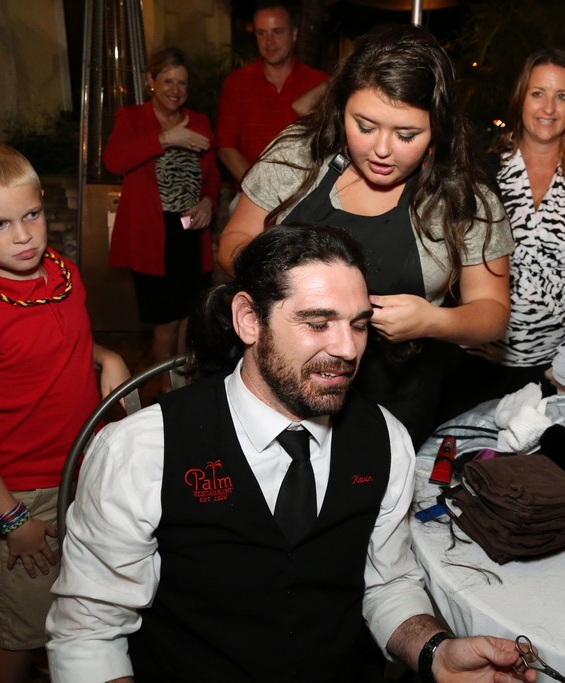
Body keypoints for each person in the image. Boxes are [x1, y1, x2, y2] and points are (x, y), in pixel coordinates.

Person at [46, 225, 535, 683]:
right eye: (318, 323)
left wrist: (435, 652)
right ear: (248, 320)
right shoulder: (142, 449)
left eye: (359, 325)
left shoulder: (386, 439)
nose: (347, 349)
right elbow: (89, 634)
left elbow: (386, 584)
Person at [218, 23, 512, 446]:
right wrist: (281, 285)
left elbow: (493, 313)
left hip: (394, 396)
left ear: (438, 128)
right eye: (365, 126)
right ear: (341, 108)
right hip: (277, 382)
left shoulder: (463, 198)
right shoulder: (298, 155)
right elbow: (234, 241)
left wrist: (432, 320)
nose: (382, 149)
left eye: (407, 135)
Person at [0, 142, 130, 683]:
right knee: (22, 632)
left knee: (85, 605)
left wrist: (106, 356)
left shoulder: (63, 271)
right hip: (24, 494)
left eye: (31, 215)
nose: (22, 236)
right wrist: (11, 519)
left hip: (90, 467)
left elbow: (54, 345)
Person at [443, 48, 565, 415]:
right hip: (474, 363)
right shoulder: (483, 171)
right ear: (520, 99)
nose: (549, 108)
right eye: (538, 93)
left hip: (555, 369)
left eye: (562, 96)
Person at [105, 47, 220, 388]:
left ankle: (185, 385)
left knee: (189, 320)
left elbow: (212, 176)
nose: (175, 90)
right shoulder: (132, 118)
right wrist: (165, 139)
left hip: (190, 233)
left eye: (182, 83)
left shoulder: (199, 121)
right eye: (168, 81)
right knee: (167, 321)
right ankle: (167, 390)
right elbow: (113, 160)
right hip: (153, 238)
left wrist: (208, 202)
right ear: (150, 81)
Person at [216, 1, 330, 191]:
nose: (269, 41)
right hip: (251, 192)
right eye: (261, 33)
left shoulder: (318, 83)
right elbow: (226, 148)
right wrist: (260, 191)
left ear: (294, 34)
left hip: (305, 194)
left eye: (277, 32)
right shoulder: (236, 83)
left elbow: (332, 144)